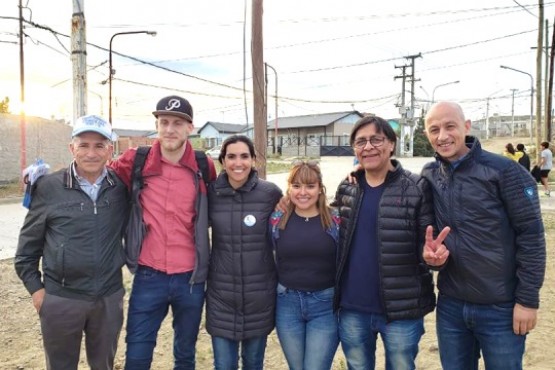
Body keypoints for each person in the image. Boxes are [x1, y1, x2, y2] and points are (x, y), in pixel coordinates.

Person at [422, 101, 546, 370]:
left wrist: (527, 300)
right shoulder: (430, 175)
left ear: (467, 127)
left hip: (501, 307)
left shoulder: (505, 171)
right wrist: (435, 259)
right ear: (427, 136)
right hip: (451, 305)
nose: (442, 136)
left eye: (450, 126)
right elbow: (399, 187)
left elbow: (532, 235)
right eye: (434, 130)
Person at [109, 95, 217, 370]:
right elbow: (98, 177)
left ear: (189, 128)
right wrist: (51, 180)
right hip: (148, 275)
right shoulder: (136, 160)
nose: (170, 129)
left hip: (190, 278)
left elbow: (230, 193)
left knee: (185, 353)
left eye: (177, 123)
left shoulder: (204, 166)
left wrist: (275, 197)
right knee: (137, 353)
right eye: (164, 122)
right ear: (157, 125)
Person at [14, 115, 128, 370]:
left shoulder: (120, 188)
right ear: (71, 148)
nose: (91, 153)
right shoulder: (49, 187)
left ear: (110, 150)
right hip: (61, 299)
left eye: (99, 146)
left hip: (108, 299)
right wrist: (37, 291)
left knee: (104, 365)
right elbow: (26, 250)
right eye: (83, 145)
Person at [333, 115, 442, 370]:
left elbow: (428, 241)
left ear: (391, 144)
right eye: (360, 142)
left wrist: (430, 256)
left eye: (376, 140)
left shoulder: (416, 187)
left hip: (401, 309)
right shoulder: (347, 187)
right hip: (352, 306)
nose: (368, 147)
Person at [205, 135, 282, 370]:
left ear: (254, 160)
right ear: (222, 161)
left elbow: (304, 204)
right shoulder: (210, 194)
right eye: (231, 156)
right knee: (223, 365)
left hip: (259, 295)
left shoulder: (270, 193)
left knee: (253, 363)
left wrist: (357, 172)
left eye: (244, 156)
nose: (238, 163)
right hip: (221, 295)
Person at [270, 160, 341, 370]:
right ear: (289, 188)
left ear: (320, 189)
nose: (303, 192)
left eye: (310, 186)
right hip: (287, 304)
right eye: (297, 186)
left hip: (325, 306)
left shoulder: (336, 221)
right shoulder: (277, 220)